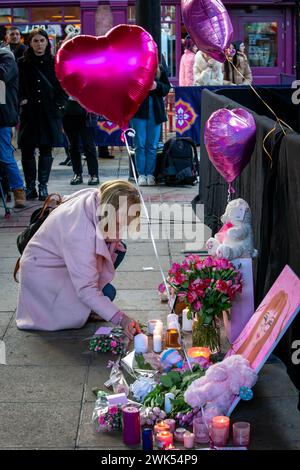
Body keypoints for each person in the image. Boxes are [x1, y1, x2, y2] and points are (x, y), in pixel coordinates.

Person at [16, 180, 141, 337]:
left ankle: (90, 306)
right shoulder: (80, 233)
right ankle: (68, 310)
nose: (121, 229)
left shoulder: (95, 198)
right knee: (106, 294)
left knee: (118, 250)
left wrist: (113, 235)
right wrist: (122, 320)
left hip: (54, 264)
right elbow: (86, 289)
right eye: (119, 223)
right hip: (44, 282)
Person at [18, 28, 68, 201]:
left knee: (46, 150)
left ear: (47, 42)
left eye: (41, 41)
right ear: (29, 43)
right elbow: (13, 86)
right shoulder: (21, 63)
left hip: (49, 113)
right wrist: (20, 100)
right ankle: (30, 186)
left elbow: (64, 89)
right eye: (35, 41)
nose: (39, 44)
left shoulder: (56, 63)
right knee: (27, 150)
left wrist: (59, 106)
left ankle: (43, 186)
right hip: (29, 114)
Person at [131, 64, 171, 186]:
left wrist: (156, 86)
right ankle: (141, 174)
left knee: (152, 145)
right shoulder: (134, 65)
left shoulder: (161, 68)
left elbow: (166, 88)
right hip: (138, 112)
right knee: (140, 144)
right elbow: (127, 87)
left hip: (155, 111)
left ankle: (150, 174)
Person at [0, 47, 26, 208]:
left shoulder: (6, 56)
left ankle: (18, 189)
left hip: (2, 116)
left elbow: (2, 76)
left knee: (4, 154)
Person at [63, 98, 99, 186]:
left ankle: (94, 174)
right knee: (73, 146)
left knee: (89, 145)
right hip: (69, 111)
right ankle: (77, 174)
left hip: (87, 112)